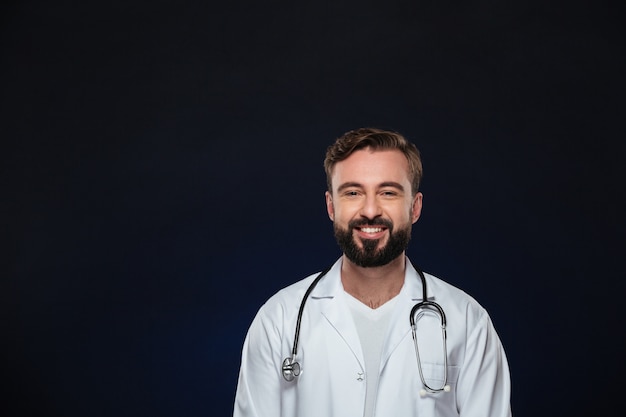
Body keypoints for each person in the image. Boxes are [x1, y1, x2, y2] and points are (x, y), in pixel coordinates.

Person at [233, 127, 512, 417]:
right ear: (331, 206)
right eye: (353, 192)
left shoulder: (467, 322)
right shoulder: (279, 320)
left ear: (414, 208)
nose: (369, 210)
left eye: (388, 192)